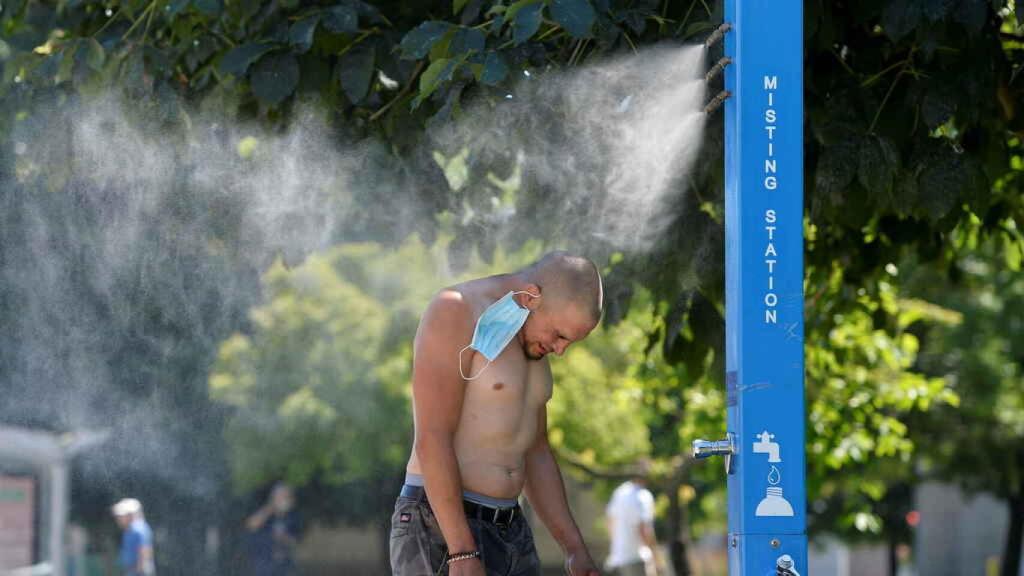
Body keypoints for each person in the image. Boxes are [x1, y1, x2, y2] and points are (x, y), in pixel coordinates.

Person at [390, 251, 605, 576]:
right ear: (531, 297)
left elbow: (536, 452)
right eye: (559, 335)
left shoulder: (533, 340)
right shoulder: (456, 309)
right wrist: (461, 552)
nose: (560, 350)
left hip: (510, 528)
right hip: (442, 526)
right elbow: (432, 437)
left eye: (569, 343)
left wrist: (574, 548)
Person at [604, 471, 660, 576]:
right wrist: (656, 558)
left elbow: (609, 521)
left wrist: (617, 544)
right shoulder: (643, 496)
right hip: (638, 558)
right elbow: (644, 530)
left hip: (619, 558)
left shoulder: (620, 492)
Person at [245, 483, 302, 576]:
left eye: (287, 497)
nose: (284, 500)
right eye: (281, 496)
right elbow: (251, 525)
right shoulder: (266, 513)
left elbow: (294, 541)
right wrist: (271, 507)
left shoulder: (292, 517)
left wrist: (284, 537)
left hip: (284, 565)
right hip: (264, 564)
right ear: (273, 498)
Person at [111, 498, 155, 576]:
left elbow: (144, 551)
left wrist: (139, 571)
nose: (118, 519)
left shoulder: (138, 530)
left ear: (130, 515)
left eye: (121, 516)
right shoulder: (129, 530)